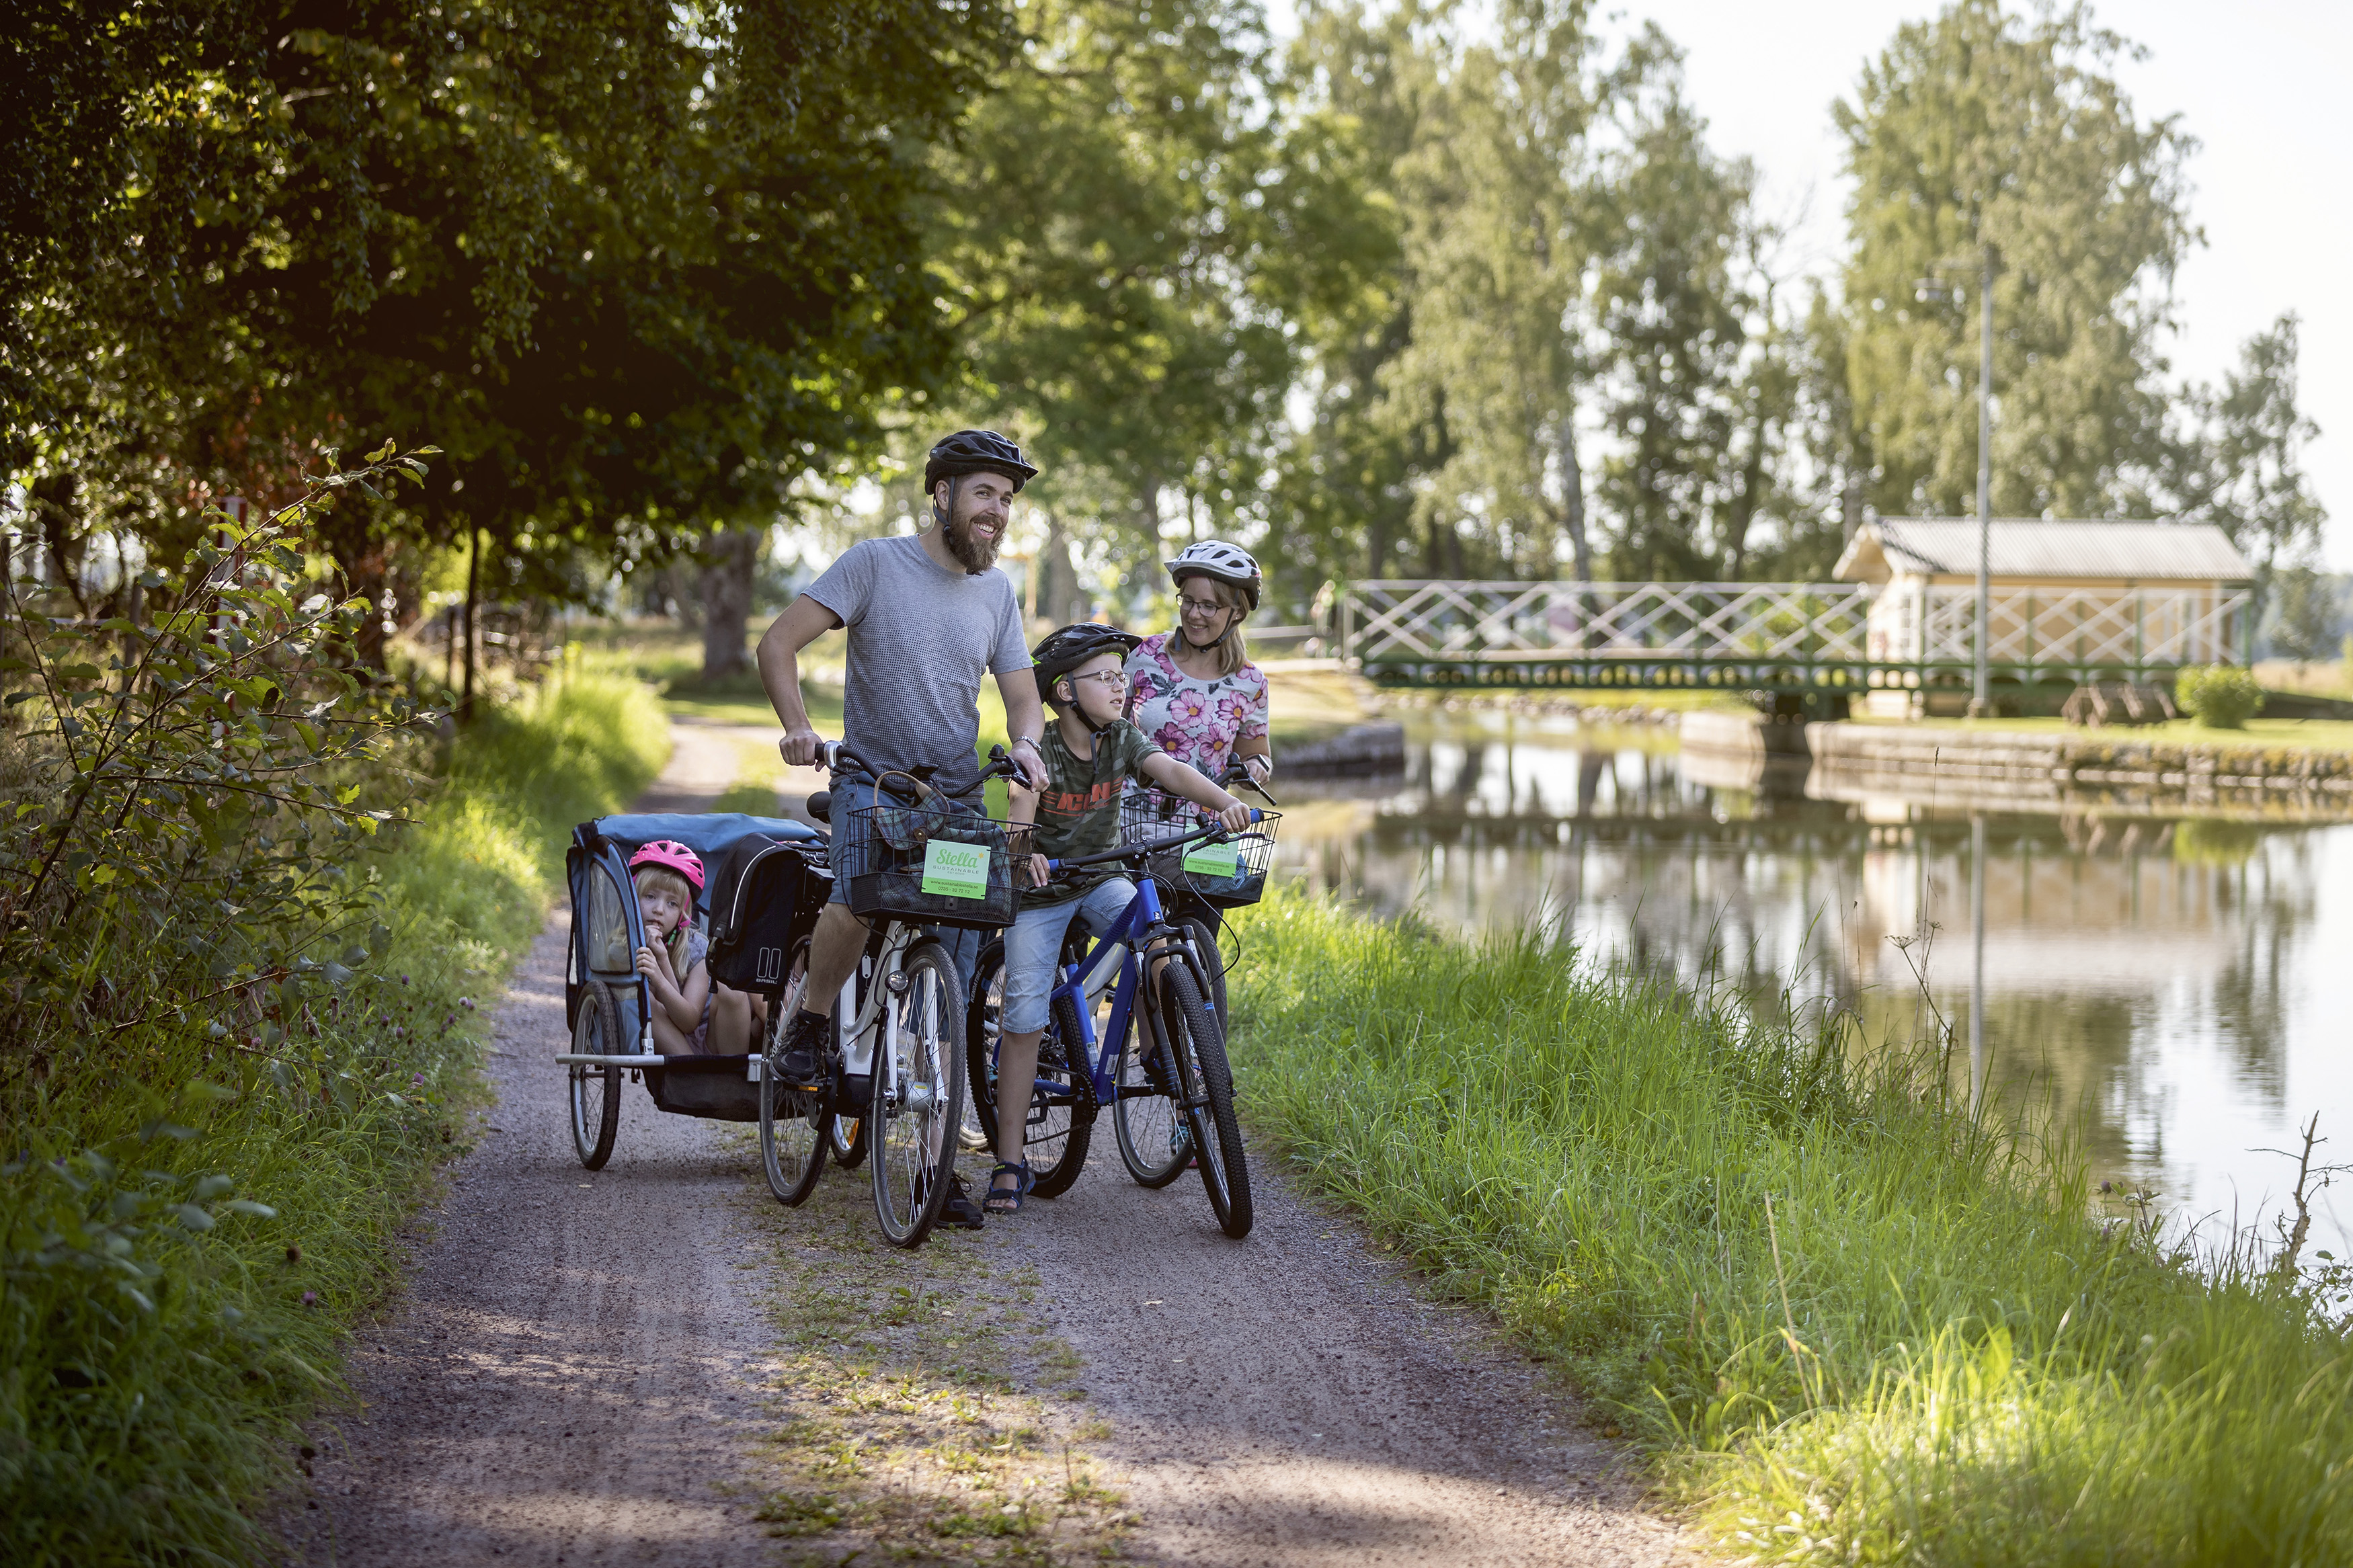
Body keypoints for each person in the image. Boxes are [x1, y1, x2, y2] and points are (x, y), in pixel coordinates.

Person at [755, 429, 1051, 1104]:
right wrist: (797, 727)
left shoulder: (997, 592)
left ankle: (931, 1118)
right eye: (984, 492)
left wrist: (1028, 742)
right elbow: (777, 643)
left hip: (955, 794)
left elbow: (1022, 698)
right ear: (942, 494)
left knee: (956, 937)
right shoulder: (872, 564)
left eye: (1005, 499)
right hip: (872, 778)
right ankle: (810, 1021)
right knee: (858, 897)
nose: (997, 510)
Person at [988, 624, 1252, 1214]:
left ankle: (1163, 1049)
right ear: (1063, 691)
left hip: (1102, 876)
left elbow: (1171, 770)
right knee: (1026, 1009)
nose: (1119, 686)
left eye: (1121, 676)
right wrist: (1021, 849)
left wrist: (1224, 802)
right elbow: (1021, 803)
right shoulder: (1046, 749)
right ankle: (1008, 1160)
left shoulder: (1123, 738)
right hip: (1044, 890)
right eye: (1104, 677)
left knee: (1155, 936)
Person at [1124, 540, 1273, 790]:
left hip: (1204, 825)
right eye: (1188, 601)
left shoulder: (1251, 682)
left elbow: (1256, 756)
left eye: (1208, 606)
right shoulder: (1142, 655)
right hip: (1129, 819)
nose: (1194, 614)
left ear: (1237, 613)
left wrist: (1257, 768)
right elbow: (1104, 734)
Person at [628, 841, 762, 1055]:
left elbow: (688, 1021)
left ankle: (731, 1079)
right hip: (674, 1045)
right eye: (650, 896)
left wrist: (661, 964)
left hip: (712, 1038)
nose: (659, 909)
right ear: (633, 899)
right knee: (644, 999)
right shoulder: (621, 946)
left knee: (731, 990)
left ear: (683, 913)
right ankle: (690, 1078)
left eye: (672, 903)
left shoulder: (697, 950)